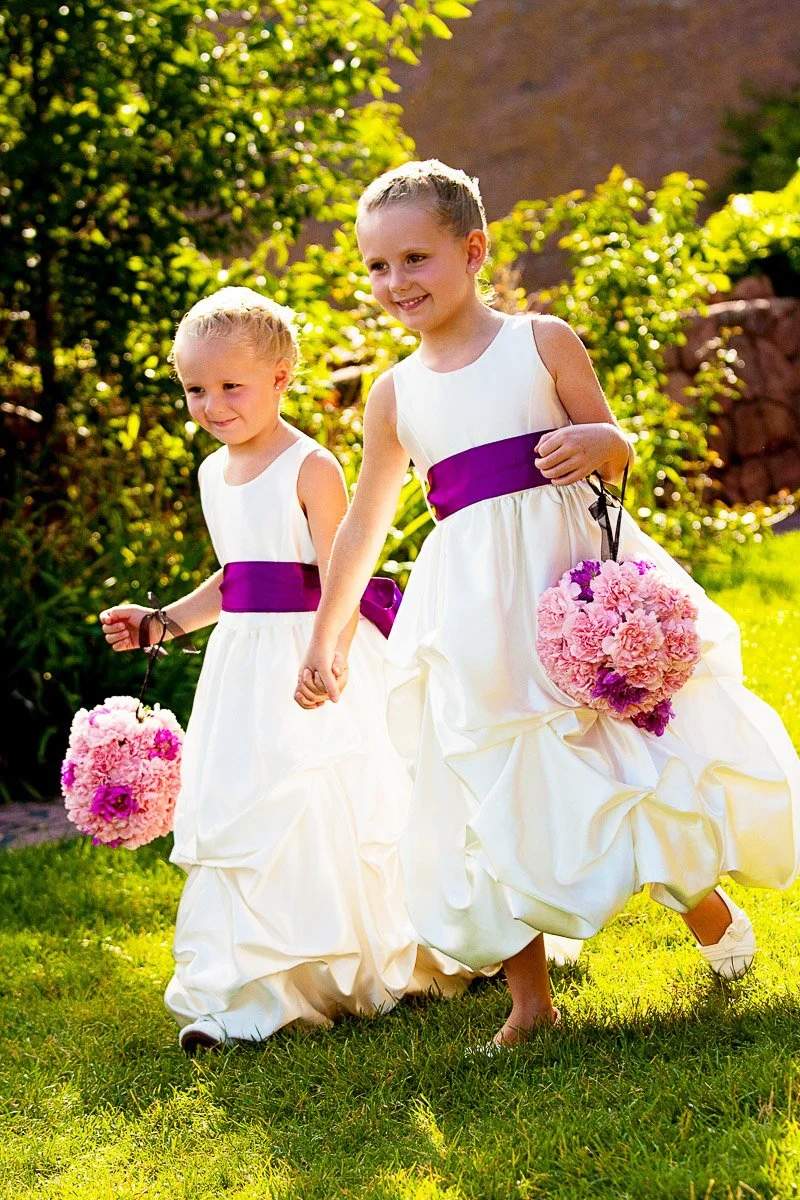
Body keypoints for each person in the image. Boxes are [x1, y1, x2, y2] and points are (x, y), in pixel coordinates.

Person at [296, 160, 800, 1048]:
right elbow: (364, 526)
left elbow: (616, 451)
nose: (394, 282)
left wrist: (602, 440)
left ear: (473, 248)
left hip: (573, 587)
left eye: (414, 259)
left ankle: (704, 907)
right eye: (376, 266)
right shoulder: (395, 395)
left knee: (628, 757)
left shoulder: (541, 340)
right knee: (488, 782)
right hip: (475, 608)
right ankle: (530, 1000)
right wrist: (327, 636)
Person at [99, 286, 472, 1054]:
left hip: (314, 652)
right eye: (195, 388)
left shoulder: (311, 465)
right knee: (247, 811)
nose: (212, 403)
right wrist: (163, 620)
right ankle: (249, 990)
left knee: (325, 802)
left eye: (231, 385)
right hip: (242, 662)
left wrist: (327, 650)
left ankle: (347, 964)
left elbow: (343, 568)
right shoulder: (212, 473)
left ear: (281, 376)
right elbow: (238, 578)